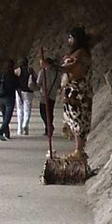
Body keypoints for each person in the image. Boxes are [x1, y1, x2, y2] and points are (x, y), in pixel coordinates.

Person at [59, 27, 93, 157]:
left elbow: (75, 69)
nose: (69, 40)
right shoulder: (79, 53)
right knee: (76, 119)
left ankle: (79, 149)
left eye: (71, 38)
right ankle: (79, 149)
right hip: (76, 91)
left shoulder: (80, 54)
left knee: (78, 118)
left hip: (77, 92)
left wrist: (56, 68)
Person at [0, 58, 18, 140]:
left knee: (4, 116)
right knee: (7, 117)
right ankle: (0, 132)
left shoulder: (1, 75)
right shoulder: (14, 77)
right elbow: (18, 88)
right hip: (10, 98)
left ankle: (7, 133)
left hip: (0, 98)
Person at [37, 50, 59, 135]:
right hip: (53, 94)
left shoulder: (42, 72)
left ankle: (48, 126)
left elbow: (38, 84)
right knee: (50, 111)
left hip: (44, 94)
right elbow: (59, 84)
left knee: (43, 112)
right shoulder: (56, 72)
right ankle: (49, 127)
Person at [14, 56, 35, 136]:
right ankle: (25, 124)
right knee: (27, 109)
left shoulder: (17, 71)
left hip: (19, 91)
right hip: (29, 91)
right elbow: (35, 79)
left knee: (19, 110)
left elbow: (14, 80)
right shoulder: (30, 70)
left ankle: (19, 129)